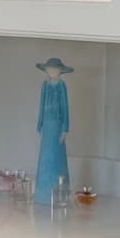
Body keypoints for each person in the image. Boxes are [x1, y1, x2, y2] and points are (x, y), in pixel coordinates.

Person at [34, 56, 72, 204]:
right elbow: (41, 106)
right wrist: (39, 124)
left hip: (57, 125)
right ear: (46, 70)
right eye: (49, 69)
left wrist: (65, 128)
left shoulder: (61, 86)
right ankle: (42, 195)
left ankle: (59, 196)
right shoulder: (45, 85)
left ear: (60, 71)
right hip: (47, 126)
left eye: (55, 69)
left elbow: (65, 107)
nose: (52, 71)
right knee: (45, 157)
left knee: (57, 157)